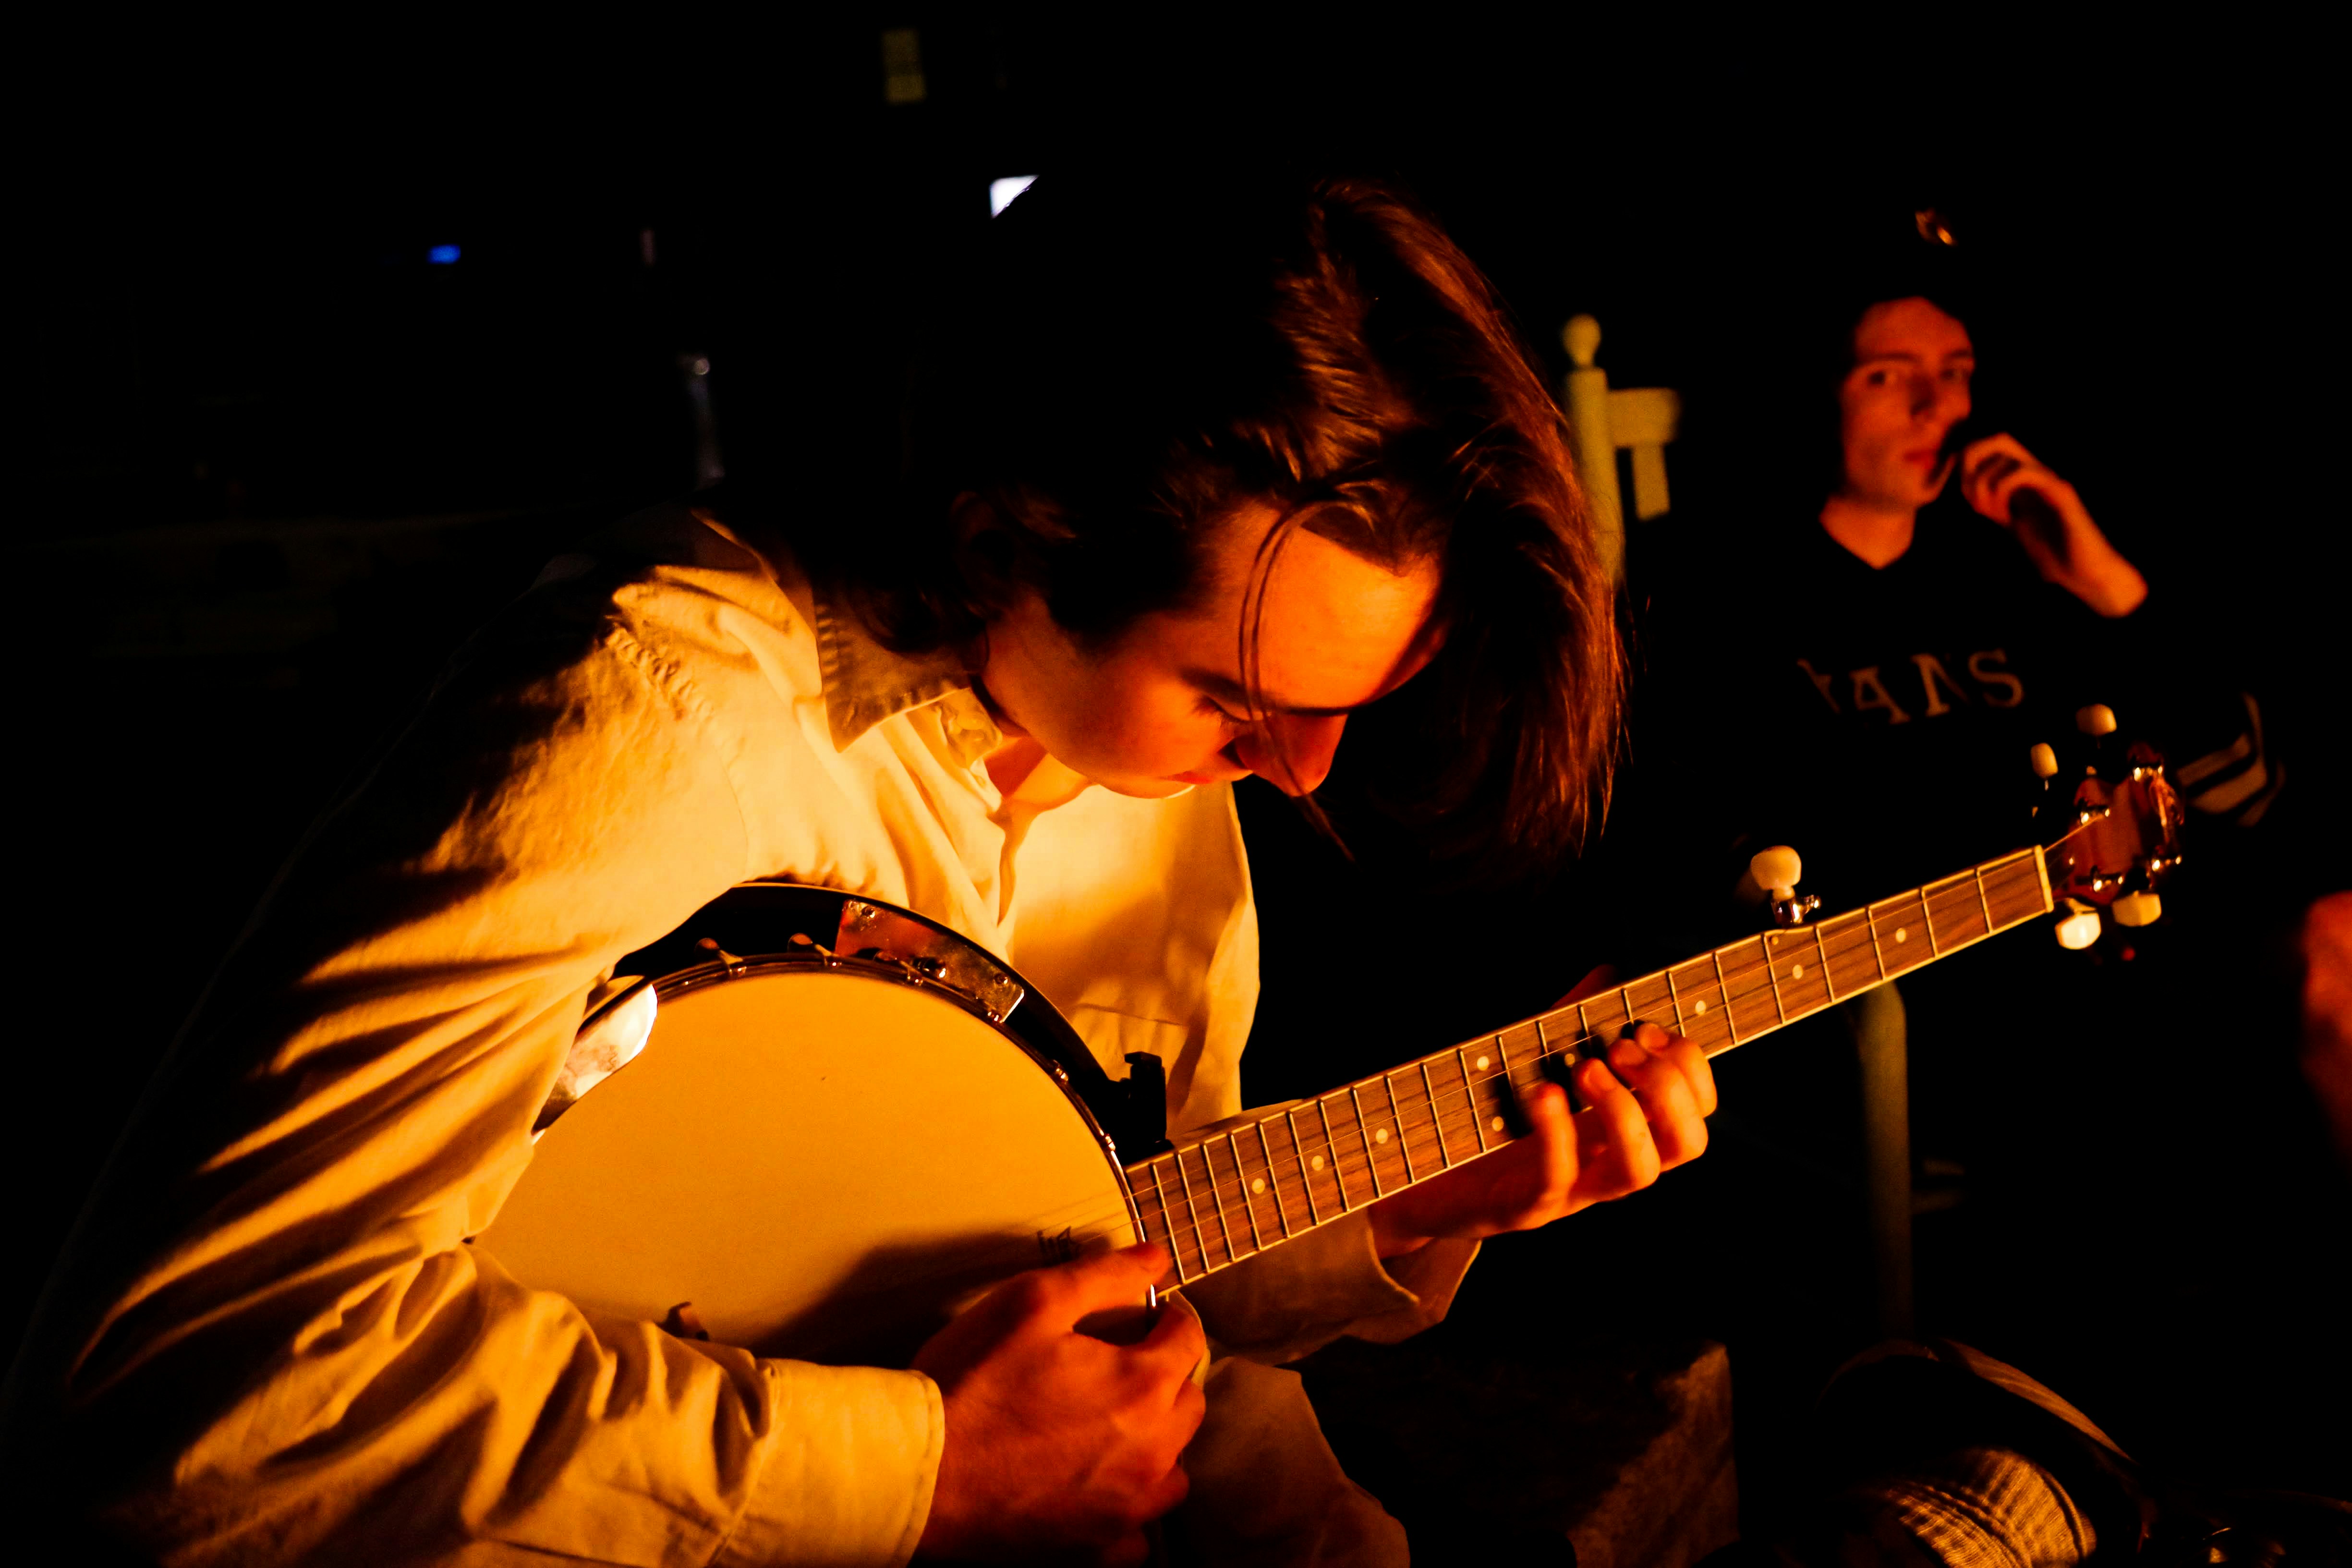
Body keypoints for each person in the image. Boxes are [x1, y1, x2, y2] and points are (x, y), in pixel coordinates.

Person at [1, 174, 1716, 1565]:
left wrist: (1415, 1199)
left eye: (1353, 701)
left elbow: (1105, 1243)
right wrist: (917, 1468)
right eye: (1236, 696)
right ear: (1000, 542)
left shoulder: (1140, 767)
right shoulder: (662, 719)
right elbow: (188, 1398)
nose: (1301, 767)